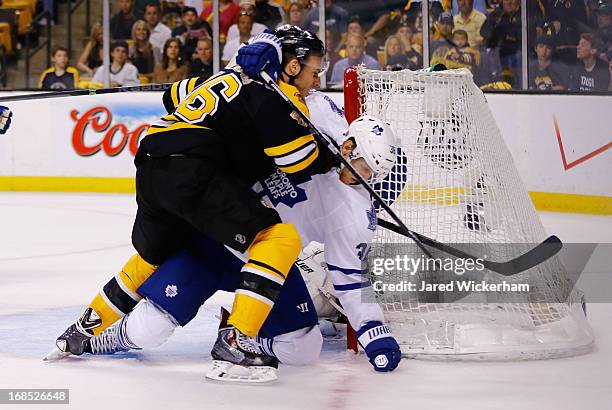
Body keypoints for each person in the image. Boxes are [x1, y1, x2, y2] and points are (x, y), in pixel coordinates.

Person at [47, 25, 334, 380]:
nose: (316, 79)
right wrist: (334, 155)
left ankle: (81, 330)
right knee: (280, 239)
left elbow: (172, 96)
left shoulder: (224, 78)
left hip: (152, 159)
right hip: (193, 168)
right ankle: (236, 342)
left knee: (152, 257)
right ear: (290, 67)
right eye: (314, 70)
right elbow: (300, 162)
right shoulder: (271, 96)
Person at [84, 113, 402, 378]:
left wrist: (374, 331)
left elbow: (351, 274)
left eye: (372, 173)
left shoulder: (354, 210)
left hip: (272, 264)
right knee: (148, 330)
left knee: (302, 350)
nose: (366, 178)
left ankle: (237, 334)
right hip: (216, 241)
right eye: (363, 167)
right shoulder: (301, 135)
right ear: (347, 146)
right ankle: (107, 337)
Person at [480, 0, 522, 86]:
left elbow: (523, 35)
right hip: (497, 51)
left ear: (518, 1)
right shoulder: (497, 14)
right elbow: (484, 32)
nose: (509, 2)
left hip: (516, 51)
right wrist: (497, 29)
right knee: (484, 55)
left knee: (520, 56)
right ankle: (489, 84)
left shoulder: (523, 15)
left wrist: (506, 33)